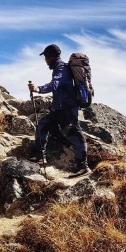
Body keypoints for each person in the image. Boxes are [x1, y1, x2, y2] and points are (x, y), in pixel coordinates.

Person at [28, 44, 90, 178]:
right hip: (59, 109)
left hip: (67, 109)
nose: (45, 61)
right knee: (42, 125)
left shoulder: (61, 69)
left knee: (75, 135)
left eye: (45, 57)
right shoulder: (59, 68)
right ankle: (39, 155)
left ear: (49, 57)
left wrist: (38, 89)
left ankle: (83, 167)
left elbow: (54, 84)